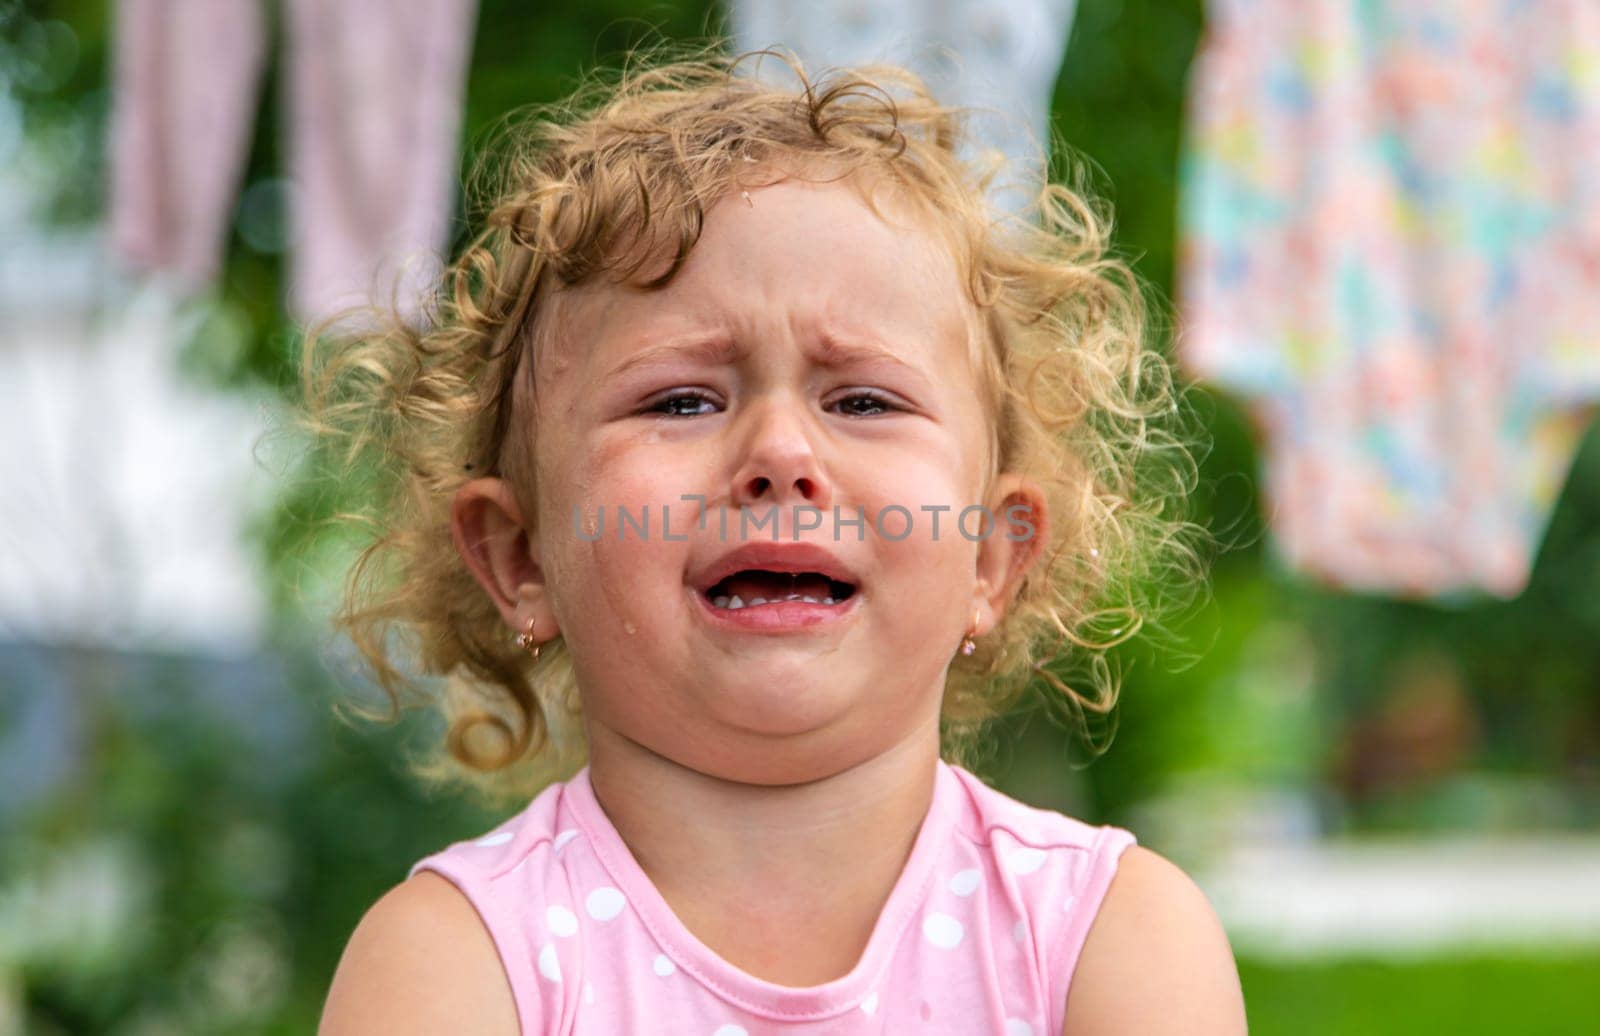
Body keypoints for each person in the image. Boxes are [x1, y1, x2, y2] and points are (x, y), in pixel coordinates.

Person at [309, 49, 1245, 1035]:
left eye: (863, 399)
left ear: (992, 555)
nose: (781, 452)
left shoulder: (1105, 941)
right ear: (519, 557)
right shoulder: (457, 962)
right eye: (678, 399)